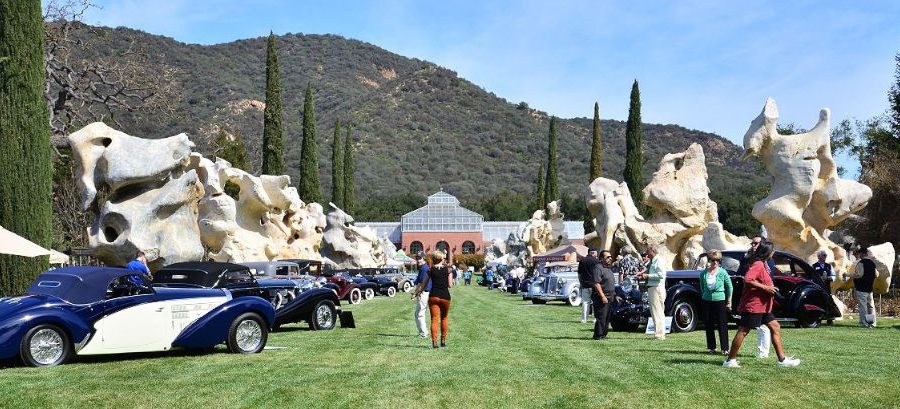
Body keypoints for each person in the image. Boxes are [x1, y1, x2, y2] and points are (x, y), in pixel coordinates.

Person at [723, 240, 800, 368]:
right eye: (772, 250)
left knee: (775, 327)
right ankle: (730, 360)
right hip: (754, 305)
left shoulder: (763, 263)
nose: (774, 252)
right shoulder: (758, 264)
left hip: (763, 307)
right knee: (743, 331)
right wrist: (766, 288)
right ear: (767, 252)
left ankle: (782, 360)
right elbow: (747, 279)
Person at [738, 236, 771, 358]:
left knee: (770, 326)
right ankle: (731, 358)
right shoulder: (749, 258)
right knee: (745, 329)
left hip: (763, 298)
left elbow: (769, 274)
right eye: (752, 243)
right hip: (752, 297)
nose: (753, 245)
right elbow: (744, 275)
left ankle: (769, 354)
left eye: (756, 243)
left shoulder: (767, 260)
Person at [413, 250, 453, 349]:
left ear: (434, 259)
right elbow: (450, 285)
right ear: (441, 258)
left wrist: (417, 292)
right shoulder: (448, 270)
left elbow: (423, 284)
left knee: (434, 320)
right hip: (445, 296)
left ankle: (434, 343)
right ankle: (443, 341)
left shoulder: (430, 270)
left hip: (433, 296)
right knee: (444, 318)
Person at [700, 250, 732, 354]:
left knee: (722, 325)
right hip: (707, 301)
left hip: (720, 300)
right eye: (713, 260)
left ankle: (725, 348)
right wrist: (705, 295)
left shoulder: (722, 272)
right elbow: (702, 287)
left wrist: (729, 301)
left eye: (718, 260)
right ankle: (712, 348)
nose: (715, 262)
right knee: (708, 324)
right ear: (709, 260)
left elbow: (729, 287)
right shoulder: (703, 273)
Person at [636, 245, 666, 340]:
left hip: (656, 288)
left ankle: (659, 335)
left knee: (657, 311)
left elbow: (660, 275)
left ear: (653, 251)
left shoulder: (658, 261)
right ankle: (659, 333)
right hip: (653, 288)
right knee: (656, 311)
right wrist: (642, 275)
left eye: (648, 251)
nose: (647, 254)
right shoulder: (653, 261)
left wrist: (647, 276)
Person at [847, 246, 877, 328]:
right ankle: (872, 323)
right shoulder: (872, 263)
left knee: (863, 306)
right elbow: (876, 274)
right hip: (869, 287)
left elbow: (859, 275)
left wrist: (848, 274)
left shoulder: (861, 263)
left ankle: (864, 323)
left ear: (861, 254)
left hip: (861, 287)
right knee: (870, 306)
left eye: (859, 253)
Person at [592, 250, 616, 340]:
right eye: (607, 257)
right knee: (601, 317)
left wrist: (614, 294)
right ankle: (598, 335)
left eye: (610, 257)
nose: (610, 258)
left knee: (607, 318)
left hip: (610, 297)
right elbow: (596, 283)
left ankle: (603, 334)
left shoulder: (608, 269)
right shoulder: (598, 268)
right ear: (601, 258)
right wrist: (602, 296)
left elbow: (610, 283)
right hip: (601, 297)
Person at [411, 251, 431, 338]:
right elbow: (418, 282)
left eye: (420, 258)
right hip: (424, 293)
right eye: (417, 258)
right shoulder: (423, 267)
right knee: (418, 313)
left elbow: (421, 284)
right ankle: (423, 332)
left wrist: (415, 294)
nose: (418, 260)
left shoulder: (424, 268)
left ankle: (423, 334)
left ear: (424, 258)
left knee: (420, 314)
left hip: (424, 293)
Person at [577, 248, 600, 324]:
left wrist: (581, 283)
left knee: (585, 302)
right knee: (595, 303)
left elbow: (579, 274)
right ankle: (594, 319)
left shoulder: (582, 260)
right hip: (595, 285)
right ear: (593, 253)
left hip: (585, 284)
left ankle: (584, 319)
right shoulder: (597, 261)